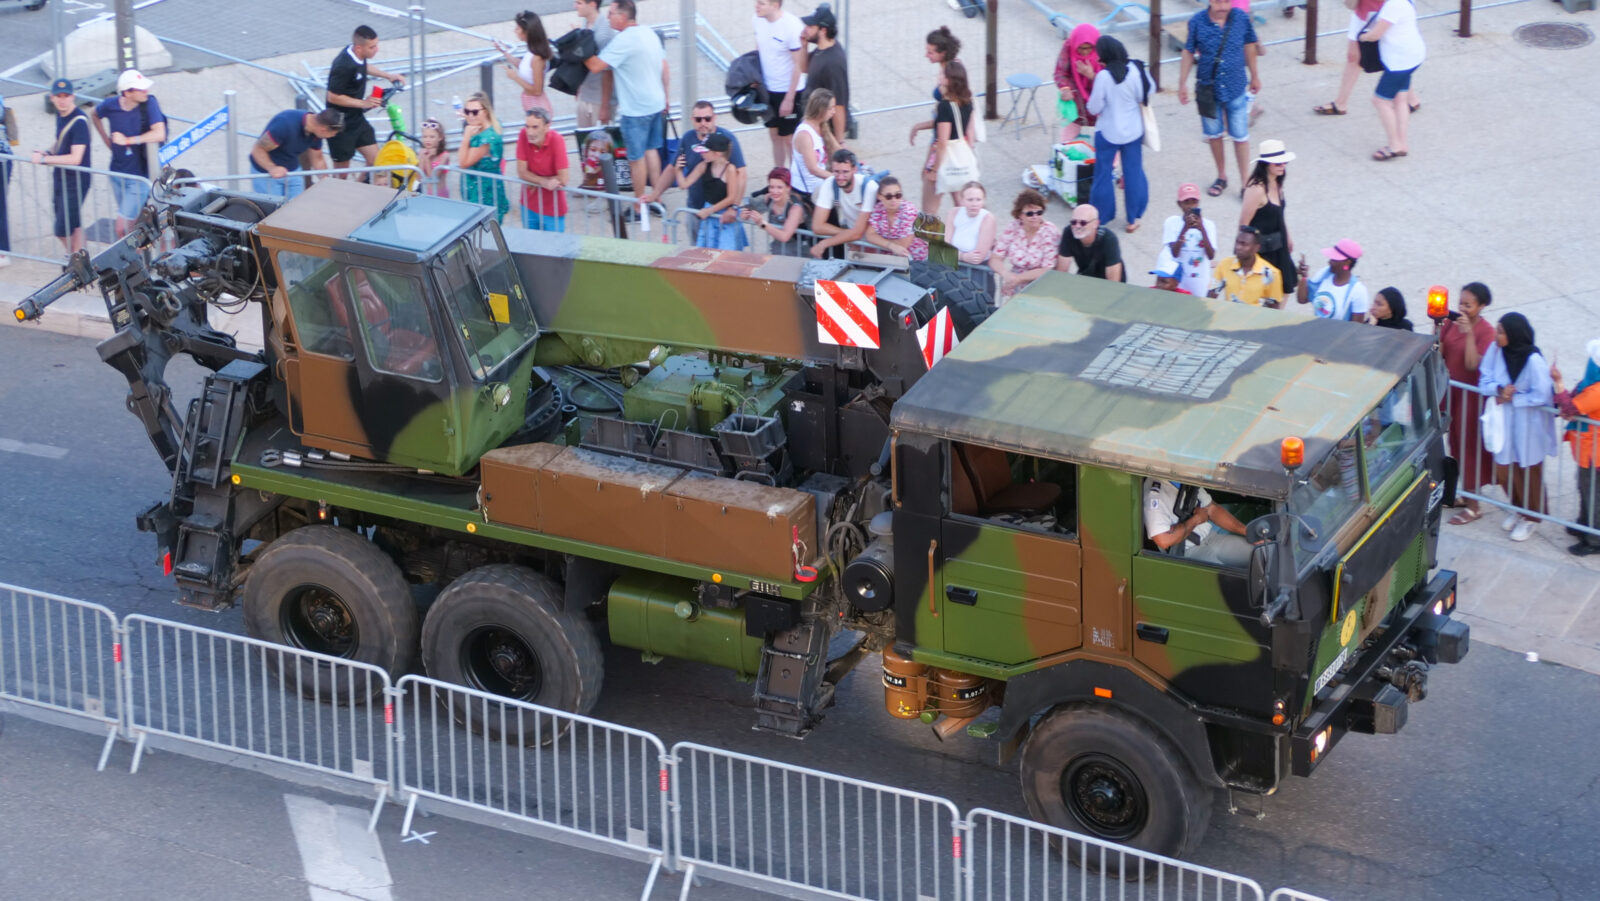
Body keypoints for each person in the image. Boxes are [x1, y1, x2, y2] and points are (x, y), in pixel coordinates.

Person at [1478, 312, 1555, 542]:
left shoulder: (1533, 361)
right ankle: (1518, 508)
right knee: (1504, 469)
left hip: (1527, 424)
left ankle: (1531, 517)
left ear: (1513, 334)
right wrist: (1500, 389)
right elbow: (1484, 379)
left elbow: (1542, 393)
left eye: (1501, 331)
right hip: (1504, 420)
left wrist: (1516, 399)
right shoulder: (1496, 350)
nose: (1496, 335)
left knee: (1528, 470)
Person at [585, 0, 669, 203]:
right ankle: (655, 199)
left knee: (635, 159)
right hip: (656, 104)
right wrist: (666, 97)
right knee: (651, 151)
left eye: (611, 13)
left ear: (623, 17)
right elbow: (665, 68)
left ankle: (640, 205)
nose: (608, 17)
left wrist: (578, 50)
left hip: (636, 110)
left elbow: (596, 66)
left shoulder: (623, 40)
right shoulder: (649, 33)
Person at [1178, 0, 1260, 198]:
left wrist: (1255, 75)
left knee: (1240, 136)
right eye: (1217, 1)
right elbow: (1189, 51)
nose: (1223, 6)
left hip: (1236, 87)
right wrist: (1182, 83)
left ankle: (1244, 182)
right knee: (1214, 134)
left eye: (1226, 1)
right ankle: (1221, 176)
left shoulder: (1240, 18)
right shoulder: (1197, 21)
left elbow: (1249, 44)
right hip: (1208, 89)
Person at [1441, 282, 1498, 525]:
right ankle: (1464, 494)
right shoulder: (1452, 323)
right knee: (1454, 444)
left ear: (1481, 306)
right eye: (1460, 302)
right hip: (1452, 392)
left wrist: (1469, 334)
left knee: (1470, 449)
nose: (1462, 308)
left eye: (1468, 304)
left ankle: (1475, 507)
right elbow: (1440, 350)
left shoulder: (1487, 332)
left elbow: (1474, 365)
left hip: (1471, 399)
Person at [1086, 37, 1153, 232]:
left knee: (1103, 174)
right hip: (1133, 132)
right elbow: (1149, 92)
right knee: (1134, 173)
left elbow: (1094, 107)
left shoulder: (1103, 77)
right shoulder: (1137, 69)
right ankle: (1133, 218)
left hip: (1108, 132)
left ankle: (1102, 217)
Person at [90, 69, 165, 238]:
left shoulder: (150, 103)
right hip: (117, 174)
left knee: (121, 228)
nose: (146, 91)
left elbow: (159, 133)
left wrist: (128, 140)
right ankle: (137, 259)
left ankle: (131, 258)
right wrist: (106, 139)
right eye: (140, 89)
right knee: (134, 225)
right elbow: (94, 114)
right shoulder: (110, 105)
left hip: (139, 178)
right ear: (127, 93)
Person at [1312, 0, 1419, 117]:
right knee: (1355, 56)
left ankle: (1411, 99)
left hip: (1384, 13)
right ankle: (1340, 103)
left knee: (1387, 57)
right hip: (1364, 11)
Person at [325, 25, 407, 176]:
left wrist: (388, 76)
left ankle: (361, 186)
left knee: (377, 162)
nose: (376, 50)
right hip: (339, 123)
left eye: (376, 45)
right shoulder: (342, 66)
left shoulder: (359, 56)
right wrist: (363, 103)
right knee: (341, 174)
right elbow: (332, 96)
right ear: (358, 48)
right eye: (372, 47)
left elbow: (364, 66)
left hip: (356, 119)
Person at [647, 101, 747, 218]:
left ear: (714, 118)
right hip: (695, 210)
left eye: (707, 119)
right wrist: (654, 195)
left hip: (721, 214)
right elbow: (672, 169)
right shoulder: (688, 138)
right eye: (698, 119)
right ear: (692, 120)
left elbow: (742, 174)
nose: (703, 123)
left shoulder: (727, 139)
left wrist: (734, 207)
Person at [1359, 0, 1426, 161]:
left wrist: (1363, 37)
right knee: (1400, 99)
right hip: (1411, 56)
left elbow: (1376, 34)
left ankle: (1394, 145)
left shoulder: (1394, 5)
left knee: (1380, 101)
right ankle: (1402, 143)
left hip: (1399, 62)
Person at [1552, 340, 1600, 556]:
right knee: (1584, 488)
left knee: (1592, 494)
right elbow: (1574, 396)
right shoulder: (1590, 384)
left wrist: (1558, 383)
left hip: (1594, 453)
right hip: (1587, 450)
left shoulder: (1596, 390)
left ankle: (1594, 539)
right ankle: (1583, 524)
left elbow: (1571, 407)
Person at [35, 79, 92, 254]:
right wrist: (48, 152)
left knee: (61, 229)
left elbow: (76, 158)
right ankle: (80, 260)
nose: (62, 100)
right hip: (61, 177)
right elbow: (61, 140)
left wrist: (44, 160)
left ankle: (76, 260)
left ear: (73, 96)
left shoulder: (80, 122)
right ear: (52, 98)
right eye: (58, 96)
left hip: (75, 181)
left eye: (66, 96)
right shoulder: (61, 115)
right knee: (73, 223)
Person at [1144, 478, 1254, 568]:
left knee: (1262, 553)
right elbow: (1163, 540)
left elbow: (1212, 509)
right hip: (1186, 553)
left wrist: (1248, 532)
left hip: (1210, 538)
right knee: (1232, 582)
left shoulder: (1185, 477)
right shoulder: (1155, 494)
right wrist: (1196, 520)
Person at [1239, 140, 1297, 296]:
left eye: (1284, 162)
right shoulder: (1256, 189)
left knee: (1283, 290)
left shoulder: (1277, 183)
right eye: (1277, 163)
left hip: (1279, 245)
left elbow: (1280, 215)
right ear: (1266, 164)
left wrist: (1288, 237)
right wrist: (1244, 255)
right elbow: (1243, 225)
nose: (1282, 165)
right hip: (1261, 250)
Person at [754, 0, 807, 169]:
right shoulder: (757, 19)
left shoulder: (791, 26)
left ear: (775, 5)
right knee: (774, 134)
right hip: (768, 89)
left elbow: (799, 65)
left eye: (761, 3)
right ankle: (779, 176)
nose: (757, 6)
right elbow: (759, 48)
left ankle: (795, 182)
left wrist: (789, 99)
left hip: (789, 90)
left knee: (789, 138)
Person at [249, 108, 342, 200]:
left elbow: (318, 160)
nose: (332, 137)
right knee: (274, 211)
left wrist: (327, 182)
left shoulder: (316, 133)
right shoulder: (284, 124)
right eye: (333, 134)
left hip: (292, 169)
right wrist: (272, 168)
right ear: (323, 130)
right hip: (267, 174)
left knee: (296, 206)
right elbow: (258, 149)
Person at [989, 189, 1062, 302]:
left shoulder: (1050, 231)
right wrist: (1006, 275)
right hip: (1014, 286)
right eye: (1029, 213)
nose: (1035, 216)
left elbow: (1047, 269)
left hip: (1041, 287)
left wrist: (1017, 279)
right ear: (1019, 215)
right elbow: (995, 258)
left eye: (1039, 212)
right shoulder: (1013, 228)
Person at [809, 149, 877, 259]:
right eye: (836, 172)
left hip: (878, 244)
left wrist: (824, 244)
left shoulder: (869, 187)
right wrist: (848, 235)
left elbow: (858, 233)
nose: (840, 177)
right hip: (856, 244)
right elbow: (817, 226)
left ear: (854, 169)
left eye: (845, 172)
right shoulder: (830, 183)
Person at [684, 132, 747, 250]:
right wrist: (678, 169)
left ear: (717, 153)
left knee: (727, 250)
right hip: (710, 214)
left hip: (723, 214)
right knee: (706, 250)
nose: (702, 154)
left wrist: (710, 210)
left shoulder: (730, 169)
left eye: (705, 151)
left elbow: (731, 197)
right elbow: (684, 184)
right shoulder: (703, 166)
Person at [801, 5, 849, 148]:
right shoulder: (821, 50)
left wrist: (839, 143)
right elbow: (804, 68)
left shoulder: (833, 62)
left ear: (823, 30)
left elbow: (839, 105)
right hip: (815, 126)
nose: (805, 29)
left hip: (826, 133)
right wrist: (803, 46)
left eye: (810, 26)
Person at [458, 92, 509, 223]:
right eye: (467, 111)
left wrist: (466, 136)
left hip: (484, 196)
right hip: (475, 191)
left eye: (475, 112)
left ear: (485, 111)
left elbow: (463, 163)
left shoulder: (486, 139)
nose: (470, 116)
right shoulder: (488, 127)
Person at [516, 108, 568, 231]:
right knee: (531, 247)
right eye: (527, 126)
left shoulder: (557, 140)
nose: (529, 132)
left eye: (535, 127)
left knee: (554, 248)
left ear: (547, 126)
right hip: (528, 205)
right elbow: (521, 172)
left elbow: (564, 178)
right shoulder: (523, 134)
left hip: (552, 209)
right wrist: (543, 182)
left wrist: (533, 180)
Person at [1161, 183, 1219, 296]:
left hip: (1200, 282)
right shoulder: (1172, 223)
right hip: (1179, 281)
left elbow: (1211, 255)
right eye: (1186, 202)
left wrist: (1201, 228)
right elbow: (1174, 254)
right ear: (1179, 204)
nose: (1191, 206)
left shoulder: (1209, 225)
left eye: (1194, 201)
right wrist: (1185, 228)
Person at [1208, 226, 1284, 307]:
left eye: (1244, 244)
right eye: (1237, 242)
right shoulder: (1225, 265)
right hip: (1229, 316)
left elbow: (1274, 309)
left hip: (1255, 318)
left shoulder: (1271, 274)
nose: (1238, 247)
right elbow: (1210, 296)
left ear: (1257, 248)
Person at [1295, 239, 1367, 321]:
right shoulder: (1324, 274)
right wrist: (1303, 277)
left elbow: (1356, 328)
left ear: (1347, 262)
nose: (1329, 262)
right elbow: (1302, 299)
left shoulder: (1358, 291)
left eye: (1334, 260)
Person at [1053, 24, 1102, 143]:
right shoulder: (1068, 48)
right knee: (1067, 139)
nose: (1085, 52)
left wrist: (1092, 76)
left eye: (1088, 48)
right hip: (1076, 101)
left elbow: (1110, 82)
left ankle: (1109, 162)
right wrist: (1065, 88)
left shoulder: (1103, 50)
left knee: (1106, 139)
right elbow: (1060, 72)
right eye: (1081, 48)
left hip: (1099, 100)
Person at [743, 167, 808, 255]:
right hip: (777, 250)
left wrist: (762, 224)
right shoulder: (769, 198)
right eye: (771, 187)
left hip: (798, 254)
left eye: (779, 187)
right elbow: (749, 204)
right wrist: (745, 213)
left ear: (788, 188)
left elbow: (785, 236)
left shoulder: (795, 208)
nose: (775, 191)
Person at [574, 0, 617, 128]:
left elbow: (608, 72)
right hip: (585, 96)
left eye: (579, 3)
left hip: (598, 101)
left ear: (593, 4)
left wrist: (605, 107)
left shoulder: (604, 33)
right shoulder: (586, 24)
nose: (575, 6)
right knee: (585, 144)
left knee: (601, 145)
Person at [501, 10, 554, 116]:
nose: (515, 31)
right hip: (531, 104)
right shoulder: (531, 50)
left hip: (537, 108)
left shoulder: (537, 58)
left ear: (527, 31)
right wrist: (506, 53)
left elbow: (537, 91)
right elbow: (524, 66)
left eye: (518, 28)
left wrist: (515, 77)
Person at [1056, 203, 1125, 282]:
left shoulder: (1109, 239)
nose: (1077, 226)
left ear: (1095, 224)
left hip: (1106, 283)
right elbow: (1061, 272)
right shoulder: (1068, 232)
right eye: (1074, 222)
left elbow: (1114, 281)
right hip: (1086, 278)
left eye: (1083, 223)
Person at [863, 177, 927, 261]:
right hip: (890, 259)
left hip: (915, 260)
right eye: (888, 196)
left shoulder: (909, 211)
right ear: (879, 196)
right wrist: (892, 246)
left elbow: (903, 245)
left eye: (898, 195)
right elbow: (869, 235)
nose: (894, 200)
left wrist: (880, 241)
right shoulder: (879, 208)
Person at [789, 89, 837, 200]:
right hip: (805, 192)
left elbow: (837, 149)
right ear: (821, 110)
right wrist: (838, 178)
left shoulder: (822, 126)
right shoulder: (805, 135)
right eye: (831, 108)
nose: (834, 112)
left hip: (820, 187)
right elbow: (813, 169)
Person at [948, 181, 996, 266]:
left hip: (976, 268)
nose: (974, 204)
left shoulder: (988, 218)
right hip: (953, 264)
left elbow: (977, 258)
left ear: (983, 201)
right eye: (970, 200)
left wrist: (953, 254)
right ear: (962, 200)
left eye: (978, 200)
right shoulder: (953, 212)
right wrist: (963, 256)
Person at [418, 117, 451, 197]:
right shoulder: (423, 153)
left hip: (441, 195)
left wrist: (427, 159)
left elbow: (433, 178)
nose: (427, 140)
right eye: (425, 136)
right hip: (427, 194)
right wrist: (422, 158)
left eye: (432, 137)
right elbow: (419, 177)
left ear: (440, 137)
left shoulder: (444, 155)